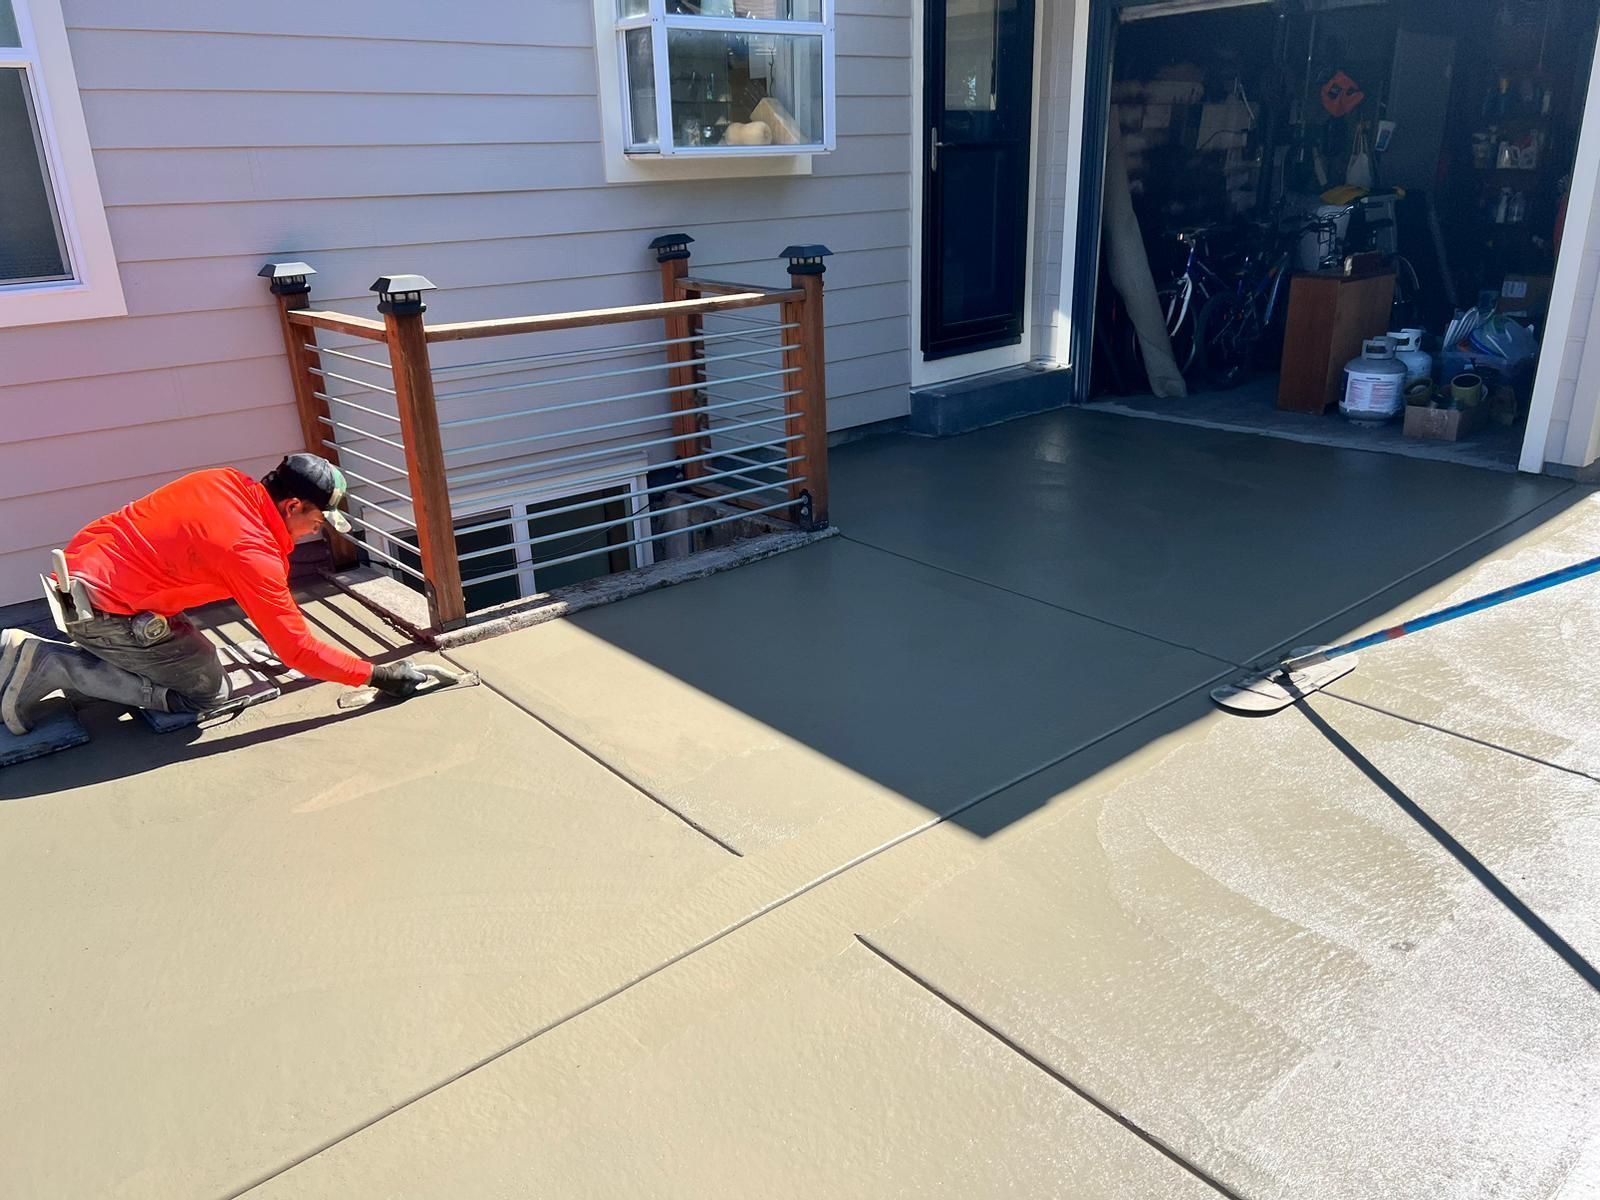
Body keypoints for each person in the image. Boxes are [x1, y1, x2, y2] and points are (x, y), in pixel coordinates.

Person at [0, 454, 427, 735]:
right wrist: (377, 674)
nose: (321, 528)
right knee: (206, 693)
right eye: (321, 518)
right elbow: (296, 651)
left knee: (191, 652)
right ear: (293, 506)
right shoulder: (251, 552)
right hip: (105, 612)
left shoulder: (223, 481)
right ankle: (52, 665)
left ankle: (81, 659)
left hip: (82, 574)